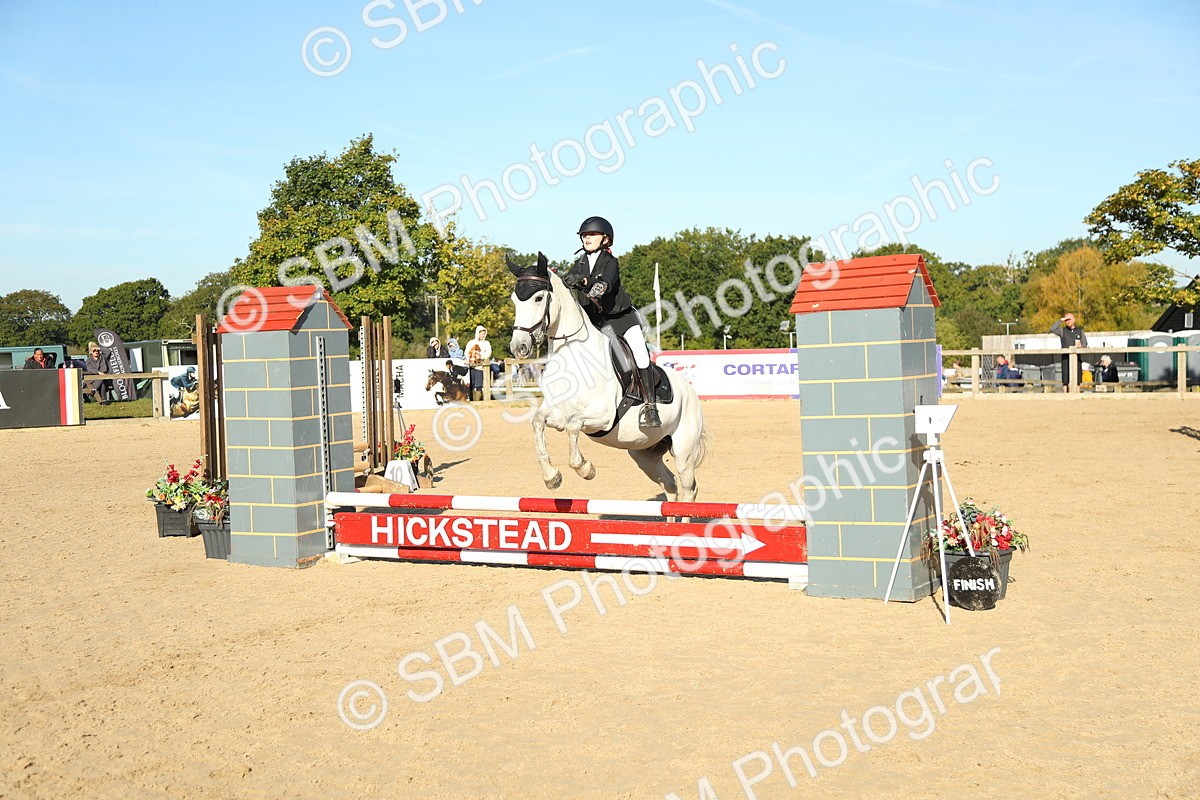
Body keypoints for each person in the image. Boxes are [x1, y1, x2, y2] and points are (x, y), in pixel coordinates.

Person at [561, 215, 660, 427]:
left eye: (592, 234)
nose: (587, 238)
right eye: (585, 235)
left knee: (641, 354)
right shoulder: (579, 263)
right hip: (598, 324)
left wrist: (587, 282)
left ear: (605, 239)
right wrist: (564, 279)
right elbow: (568, 278)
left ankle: (651, 406)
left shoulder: (610, 262)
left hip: (622, 319)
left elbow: (606, 281)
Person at [1050, 313, 1088, 392]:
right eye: (1066, 320)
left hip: (1077, 358)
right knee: (1065, 379)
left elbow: (1085, 344)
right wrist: (1061, 320)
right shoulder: (1062, 331)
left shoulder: (1080, 331)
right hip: (1065, 359)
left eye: (1069, 319)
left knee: (1078, 379)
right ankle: (1065, 395)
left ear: (1074, 320)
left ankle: (1077, 394)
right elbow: (1053, 329)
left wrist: (1081, 346)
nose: (1068, 321)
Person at [463, 326, 492, 400]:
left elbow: (488, 353)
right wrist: (471, 357)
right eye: (481, 333)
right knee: (471, 384)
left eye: (484, 334)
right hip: (472, 366)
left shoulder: (487, 343)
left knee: (479, 385)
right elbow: (466, 352)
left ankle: (477, 401)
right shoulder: (471, 342)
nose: (483, 335)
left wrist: (480, 356)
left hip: (480, 367)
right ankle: (471, 400)